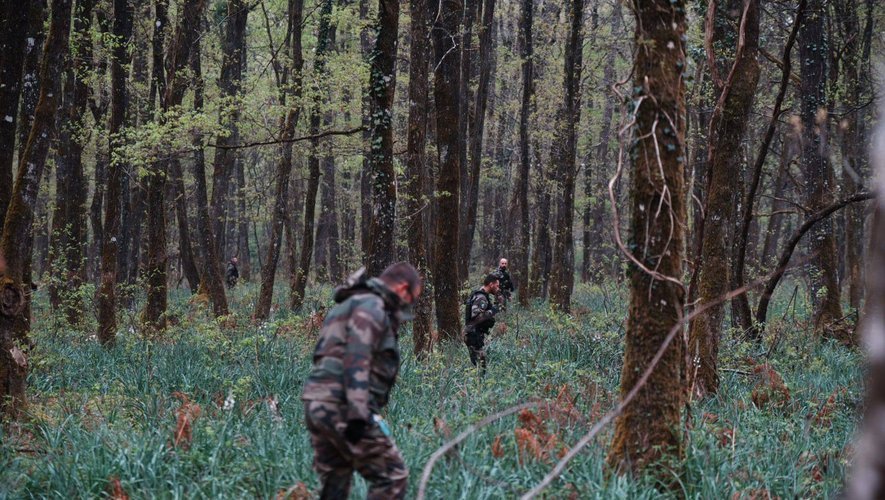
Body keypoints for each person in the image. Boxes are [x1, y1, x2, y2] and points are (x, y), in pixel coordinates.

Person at [302, 262, 422, 499]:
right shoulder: (372, 307)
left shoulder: (349, 303)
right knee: (392, 477)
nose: (409, 304)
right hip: (343, 407)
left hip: (316, 403)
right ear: (402, 287)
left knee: (335, 481)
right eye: (412, 297)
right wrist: (357, 414)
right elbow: (357, 357)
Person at [464, 274, 500, 372]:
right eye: (497, 286)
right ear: (491, 284)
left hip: (475, 334)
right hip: (473, 335)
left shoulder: (480, 295)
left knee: (479, 365)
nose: (498, 288)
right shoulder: (481, 297)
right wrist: (492, 311)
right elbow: (476, 316)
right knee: (480, 368)